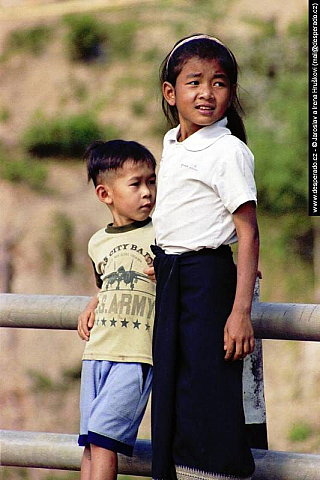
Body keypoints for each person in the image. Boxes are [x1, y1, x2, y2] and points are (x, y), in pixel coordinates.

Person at [150, 34, 259, 480]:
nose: (206, 93)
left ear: (231, 92)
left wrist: (240, 312)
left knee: (207, 394)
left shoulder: (227, 150)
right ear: (170, 93)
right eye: (194, 82)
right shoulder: (172, 143)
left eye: (219, 83)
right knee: (174, 390)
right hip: (174, 277)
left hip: (209, 283)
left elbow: (248, 234)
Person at [77, 139, 157, 480]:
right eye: (136, 184)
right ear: (105, 194)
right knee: (91, 443)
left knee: (106, 441)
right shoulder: (97, 242)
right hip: (96, 353)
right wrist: (93, 303)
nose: (147, 192)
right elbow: (107, 283)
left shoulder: (166, 233)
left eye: (152, 181)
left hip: (135, 356)